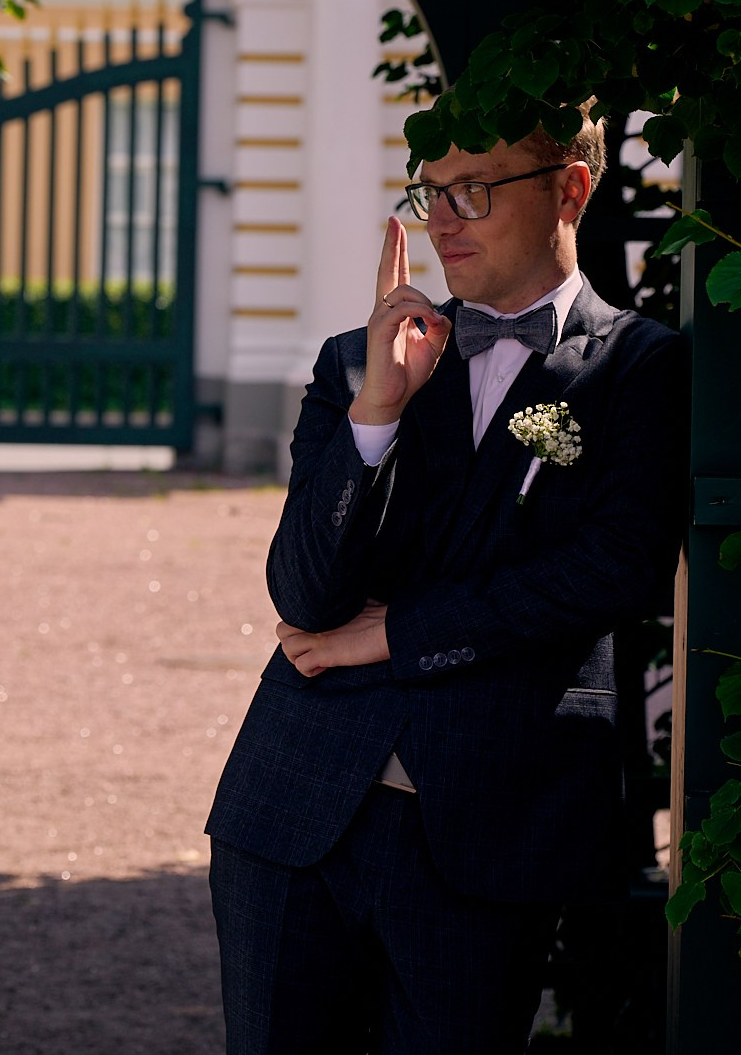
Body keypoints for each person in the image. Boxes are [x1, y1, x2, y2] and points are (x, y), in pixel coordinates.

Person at [207, 104, 687, 1053]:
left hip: (493, 827)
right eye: (432, 193)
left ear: (570, 191)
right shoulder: (357, 360)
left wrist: (388, 633)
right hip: (294, 810)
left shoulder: (640, 366)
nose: (444, 220)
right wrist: (377, 412)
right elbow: (302, 594)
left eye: (475, 190)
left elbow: (609, 572)